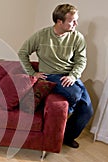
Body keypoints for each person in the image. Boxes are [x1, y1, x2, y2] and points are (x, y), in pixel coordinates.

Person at [18, 4, 93, 148]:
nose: (76, 24)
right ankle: (59, 130)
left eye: (76, 20)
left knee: (87, 109)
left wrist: (73, 76)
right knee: (76, 93)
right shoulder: (41, 35)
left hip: (70, 75)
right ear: (59, 21)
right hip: (51, 75)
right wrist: (33, 73)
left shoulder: (77, 37)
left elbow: (81, 60)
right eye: (72, 21)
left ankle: (66, 137)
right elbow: (23, 53)